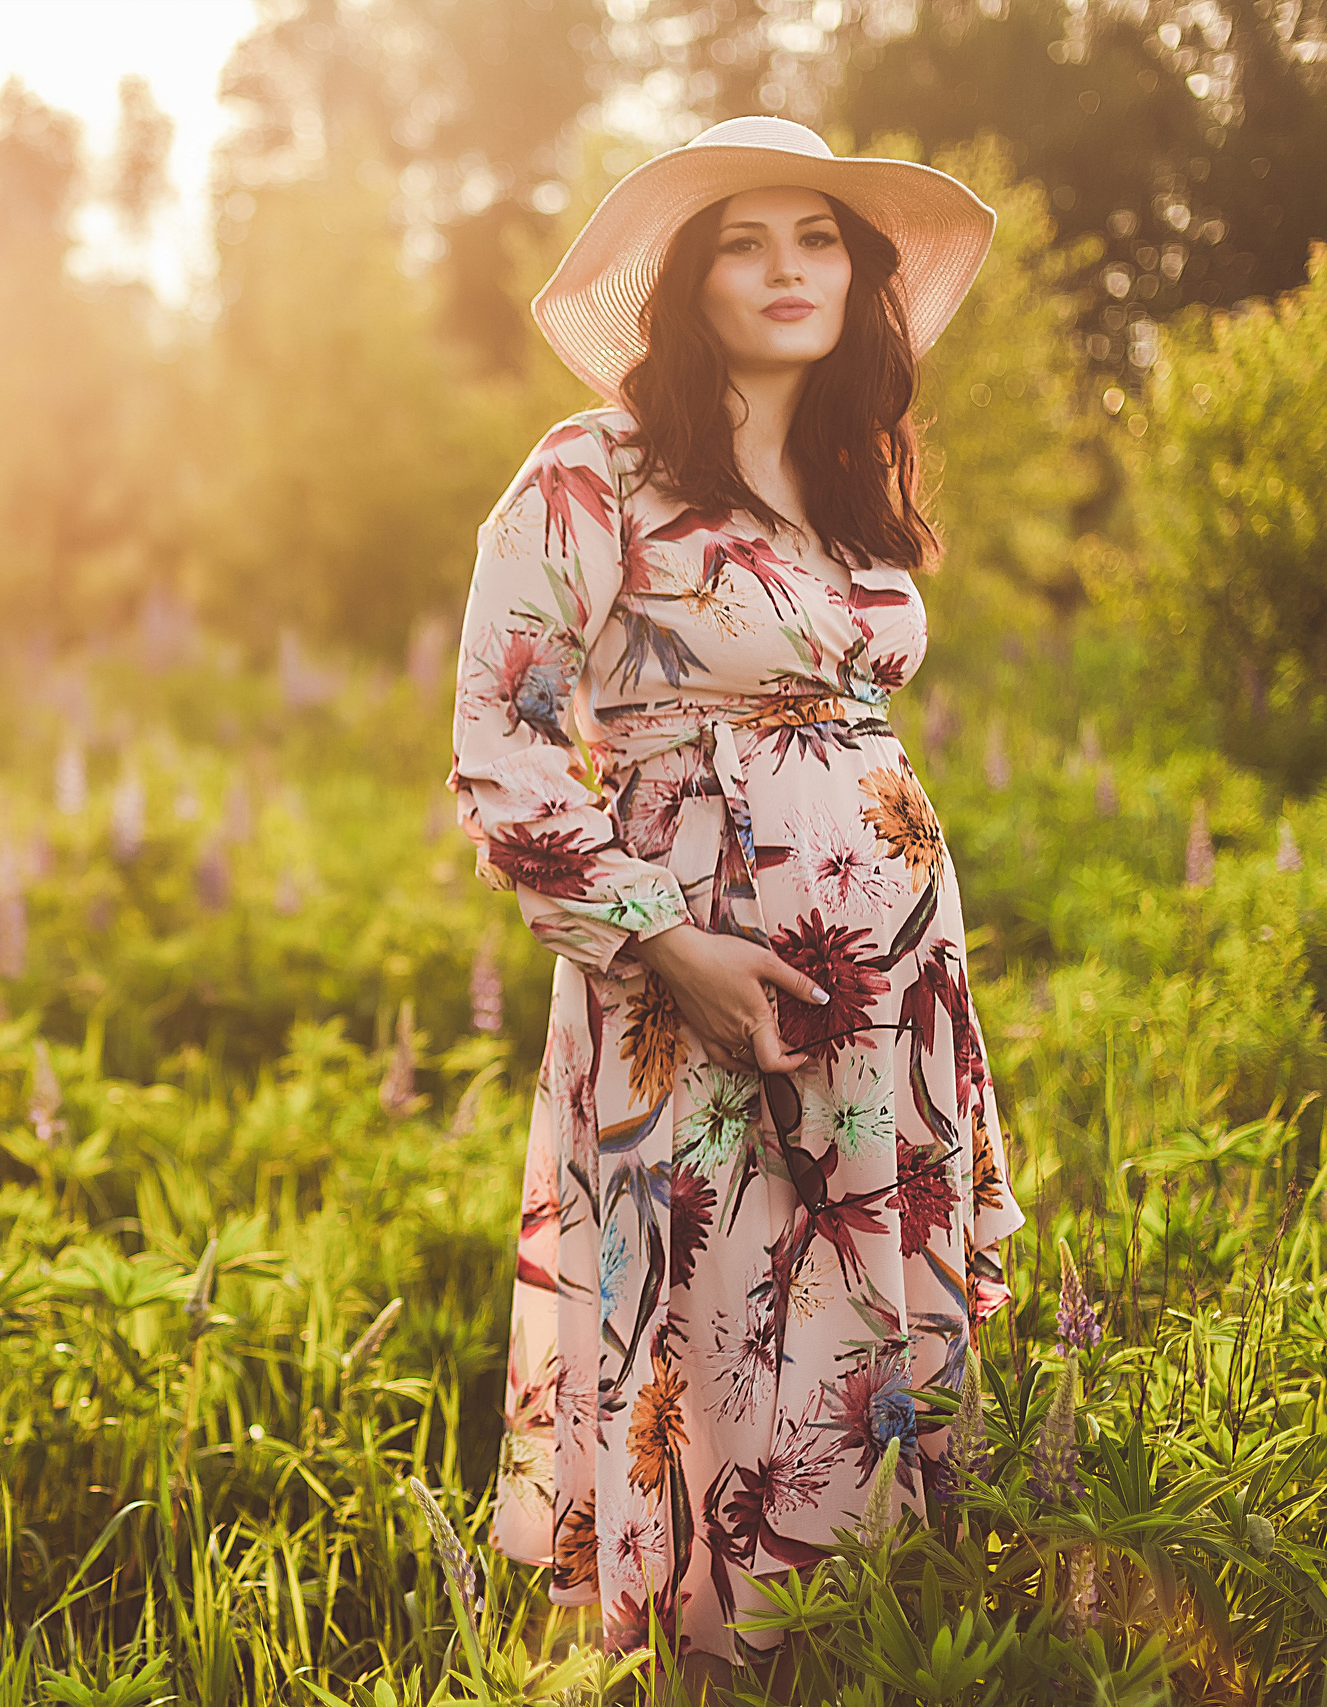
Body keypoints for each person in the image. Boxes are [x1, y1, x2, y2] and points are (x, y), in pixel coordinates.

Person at [446, 114, 1029, 1697]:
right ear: (689, 286)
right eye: (746, 244)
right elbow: (502, 743)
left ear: (859, 276)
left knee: (863, 1330)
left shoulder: (848, 480)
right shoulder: (593, 470)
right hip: (689, 970)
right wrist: (662, 943)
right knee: (724, 1324)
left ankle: (867, 1656)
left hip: (890, 988)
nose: (788, 271)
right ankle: (718, 1666)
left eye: (819, 239)